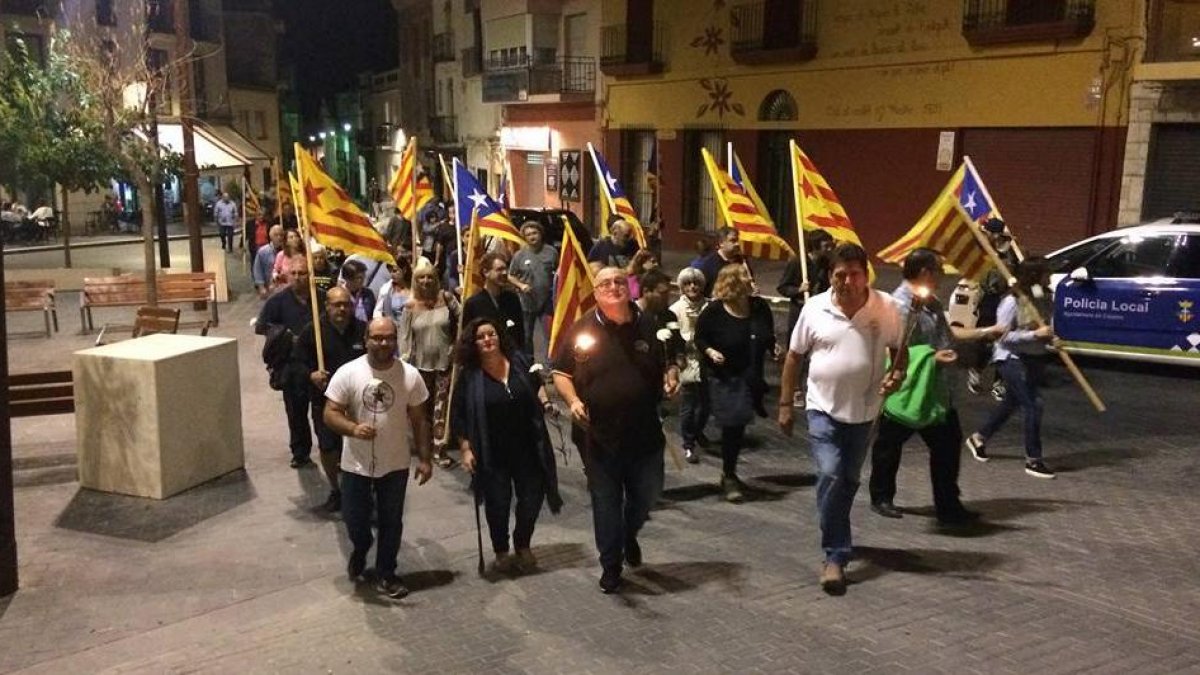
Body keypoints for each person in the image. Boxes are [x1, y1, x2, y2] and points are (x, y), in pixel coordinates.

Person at [777, 243, 905, 595]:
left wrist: (898, 375)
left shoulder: (886, 307)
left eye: (855, 274)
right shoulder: (815, 308)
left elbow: (899, 350)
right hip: (822, 408)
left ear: (866, 275)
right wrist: (786, 404)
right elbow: (793, 358)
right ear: (829, 276)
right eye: (839, 275)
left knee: (846, 480)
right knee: (832, 473)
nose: (847, 281)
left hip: (865, 411)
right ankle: (835, 555)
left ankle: (834, 524)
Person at [552, 266, 680, 594]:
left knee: (647, 495)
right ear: (595, 292)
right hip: (599, 436)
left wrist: (671, 376)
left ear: (630, 288)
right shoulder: (582, 329)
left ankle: (627, 534)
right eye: (605, 283)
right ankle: (611, 564)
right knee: (606, 501)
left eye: (620, 282)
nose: (613, 287)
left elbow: (669, 360)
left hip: (645, 434)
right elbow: (561, 373)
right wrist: (573, 401)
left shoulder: (649, 325)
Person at [868, 248, 1000, 526]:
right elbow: (896, 350)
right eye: (939, 269)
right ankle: (881, 496)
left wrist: (984, 332)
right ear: (926, 272)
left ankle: (948, 505)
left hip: (936, 392)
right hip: (909, 390)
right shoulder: (900, 306)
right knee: (888, 446)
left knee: (948, 448)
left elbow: (947, 334)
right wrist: (932, 357)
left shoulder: (930, 302)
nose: (942, 275)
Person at [323, 317, 433, 599]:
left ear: (397, 339)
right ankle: (361, 547)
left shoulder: (410, 375)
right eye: (377, 337)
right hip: (355, 464)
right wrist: (353, 428)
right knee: (354, 519)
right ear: (366, 338)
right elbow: (330, 413)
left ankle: (386, 572)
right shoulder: (348, 372)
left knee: (391, 521)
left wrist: (424, 458)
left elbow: (420, 420)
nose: (383, 343)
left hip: (395, 463)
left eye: (389, 338)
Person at [451, 317, 564, 575]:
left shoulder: (520, 362)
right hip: (492, 451)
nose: (487, 340)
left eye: (491, 334)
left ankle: (522, 542)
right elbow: (458, 416)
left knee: (532, 498)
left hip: (528, 447)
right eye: (481, 337)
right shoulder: (470, 376)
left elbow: (537, 386)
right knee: (498, 503)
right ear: (474, 344)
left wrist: (546, 404)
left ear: (499, 335)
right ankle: (501, 549)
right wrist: (466, 449)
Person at [965, 257, 1059, 479]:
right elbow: (1003, 337)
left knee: (1011, 403)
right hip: (1013, 359)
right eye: (1046, 272)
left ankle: (979, 438)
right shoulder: (1011, 302)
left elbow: (1046, 324)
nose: (1050, 277)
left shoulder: (1043, 297)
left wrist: (1050, 338)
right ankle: (1033, 460)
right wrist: (1033, 335)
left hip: (1035, 358)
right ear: (1035, 275)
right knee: (1034, 405)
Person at [695, 265, 776, 503]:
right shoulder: (714, 311)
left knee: (738, 426)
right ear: (732, 282)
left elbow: (768, 334)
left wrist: (774, 348)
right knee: (733, 421)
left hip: (750, 374)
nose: (751, 278)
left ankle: (729, 469)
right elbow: (700, 337)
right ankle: (729, 475)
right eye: (745, 276)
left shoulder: (760, 307)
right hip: (724, 376)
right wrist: (710, 351)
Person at [295, 287, 367, 512]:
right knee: (328, 447)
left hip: (358, 403)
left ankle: (363, 491)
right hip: (325, 402)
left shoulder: (362, 330)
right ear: (326, 306)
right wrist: (311, 374)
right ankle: (337, 489)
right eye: (337, 304)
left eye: (346, 304)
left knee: (360, 445)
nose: (342, 309)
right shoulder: (312, 332)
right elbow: (296, 364)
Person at [398, 261, 461, 468]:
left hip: (445, 363)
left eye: (430, 277)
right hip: (419, 366)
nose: (426, 281)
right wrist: (405, 363)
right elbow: (404, 338)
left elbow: (462, 322)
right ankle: (423, 446)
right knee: (421, 408)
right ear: (415, 281)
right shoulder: (409, 306)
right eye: (421, 278)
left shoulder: (447, 298)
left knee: (441, 408)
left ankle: (439, 449)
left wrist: (457, 346)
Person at [256, 257, 317, 468]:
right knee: (296, 413)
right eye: (295, 274)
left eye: (303, 274)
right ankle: (300, 452)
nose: (299, 278)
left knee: (322, 411)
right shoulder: (278, 301)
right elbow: (261, 326)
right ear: (288, 275)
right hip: (292, 366)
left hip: (318, 364)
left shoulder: (320, 298)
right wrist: (283, 336)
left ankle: (330, 449)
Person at [967, 217, 1022, 401]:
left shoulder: (1012, 253)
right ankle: (976, 370)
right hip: (988, 299)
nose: (986, 235)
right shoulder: (984, 249)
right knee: (985, 338)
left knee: (1005, 341)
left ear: (995, 234)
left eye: (988, 232)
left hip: (1005, 299)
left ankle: (999, 383)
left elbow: (1019, 271)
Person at [670, 267, 710, 463]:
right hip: (686, 362)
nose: (692, 287)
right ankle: (688, 444)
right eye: (687, 283)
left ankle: (696, 432)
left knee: (706, 406)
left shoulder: (710, 307)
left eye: (696, 283)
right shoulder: (676, 310)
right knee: (689, 405)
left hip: (707, 363)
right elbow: (671, 336)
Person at [508, 221, 558, 361]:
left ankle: (550, 366)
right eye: (528, 234)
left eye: (534, 233)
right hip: (527, 302)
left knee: (549, 335)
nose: (532, 237)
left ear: (541, 234)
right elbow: (510, 275)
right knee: (527, 335)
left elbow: (559, 272)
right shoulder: (519, 255)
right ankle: (529, 364)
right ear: (524, 237)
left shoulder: (552, 252)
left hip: (547, 302)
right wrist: (521, 285)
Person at [462, 251, 526, 354]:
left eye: (505, 269)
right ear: (486, 272)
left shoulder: (512, 299)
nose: (505, 273)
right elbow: (468, 339)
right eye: (499, 269)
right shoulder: (473, 304)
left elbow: (520, 334)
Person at [778, 229, 835, 337]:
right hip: (800, 313)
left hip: (820, 314)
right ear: (815, 246)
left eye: (831, 245)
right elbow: (782, 287)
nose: (830, 249)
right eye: (826, 246)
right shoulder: (797, 263)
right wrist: (798, 290)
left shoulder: (827, 264)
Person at [374, 258, 413, 327]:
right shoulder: (385, 289)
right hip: (393, 331)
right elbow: (378, 311)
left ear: (404, 270)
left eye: (395, 271)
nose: (392, 274)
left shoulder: (415, 287)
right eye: (390, 271)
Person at [340, 259, 378, 323]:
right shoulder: (339, 294)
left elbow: (372, 315)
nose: (362, 280)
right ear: (347, 278)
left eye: (363, 277)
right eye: (359, 278)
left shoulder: (368, 294)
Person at [253, 225, 286, 298]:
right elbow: (258, 270)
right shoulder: (263, 251)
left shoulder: (287, 251)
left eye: (281, 235)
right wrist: (261, 287)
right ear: (271, 236)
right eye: (276, 235)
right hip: (270, 288)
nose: (279, 237)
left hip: (285, 288)